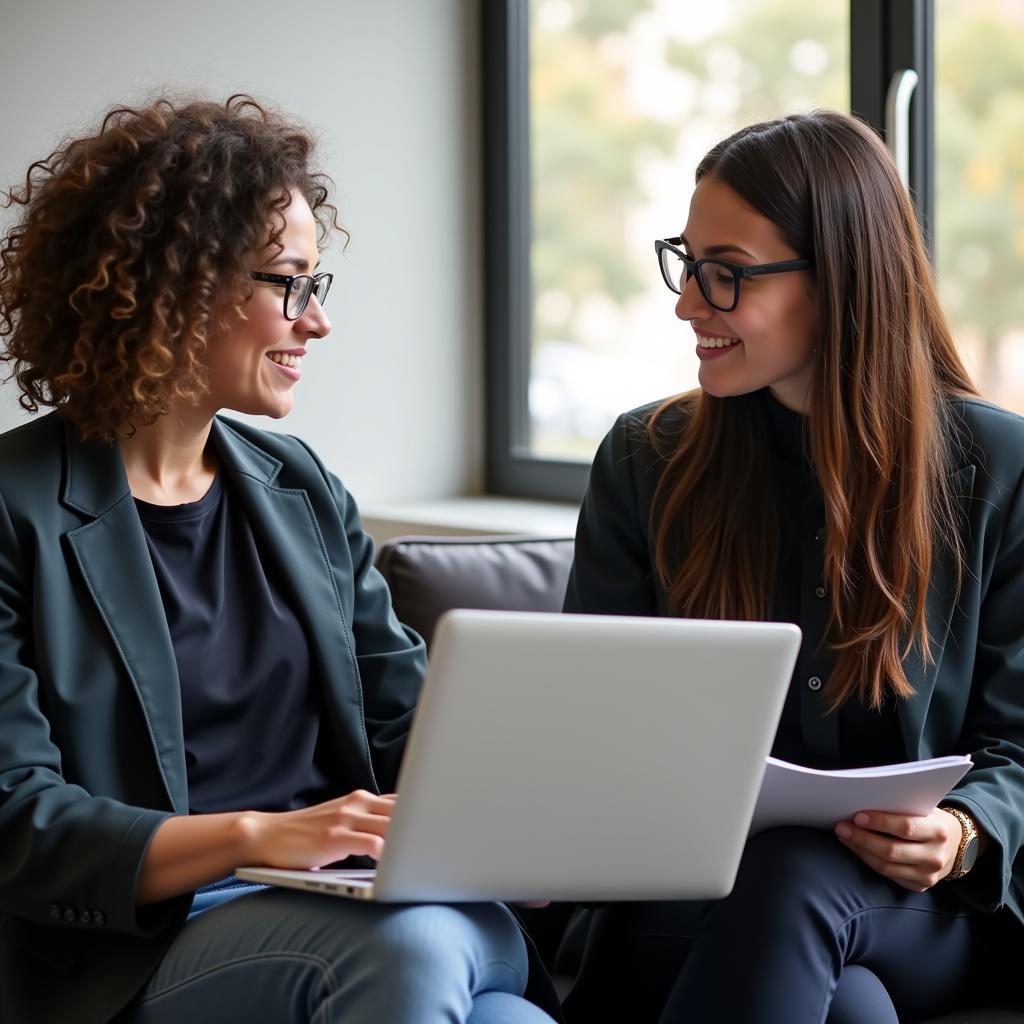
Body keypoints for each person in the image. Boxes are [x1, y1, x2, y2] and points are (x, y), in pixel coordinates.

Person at [0, 95, 557, 1024]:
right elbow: (21, 821)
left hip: (351, 910)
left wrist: (521, 819)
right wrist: (263, 837)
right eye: (287, 283)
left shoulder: (300, 487)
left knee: (506, 1013)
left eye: (315, 284)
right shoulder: (13, 507)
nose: (316, 322)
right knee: (427, 951)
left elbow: (407, 725)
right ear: (173, 285)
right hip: (144, 950)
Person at [561, 109, 1024, 1023]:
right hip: (687, 896)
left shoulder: (999, 471)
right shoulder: (646, 460)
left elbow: (1021, 742)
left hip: (915, 904)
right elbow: (590, 722)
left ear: (840, 280)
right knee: (847, 1006)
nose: (689, 303)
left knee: (797, 880)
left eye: (726, 275)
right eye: (687, 264)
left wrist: (964, 832)